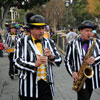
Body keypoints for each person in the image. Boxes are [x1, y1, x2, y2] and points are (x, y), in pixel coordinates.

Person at [14, 13, 62, 100]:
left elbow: (59, 60)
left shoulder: (49, 42)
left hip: (47, 86)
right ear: (31, 29)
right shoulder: (21, 42)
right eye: (38, 28)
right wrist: (34, 64)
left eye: (42, 28)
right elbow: (16, 62)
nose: (41, 31)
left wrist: (51, 57)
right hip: (28, 87)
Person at [64, 20, 100, 100]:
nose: (89, 33)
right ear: (80, 31)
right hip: (80, 78)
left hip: (93, 78)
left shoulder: (97, 42)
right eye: (87, 31)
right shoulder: (72, 44)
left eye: (91, 31)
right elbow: (67, 61)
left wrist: (95, 59)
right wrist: (72, 72)